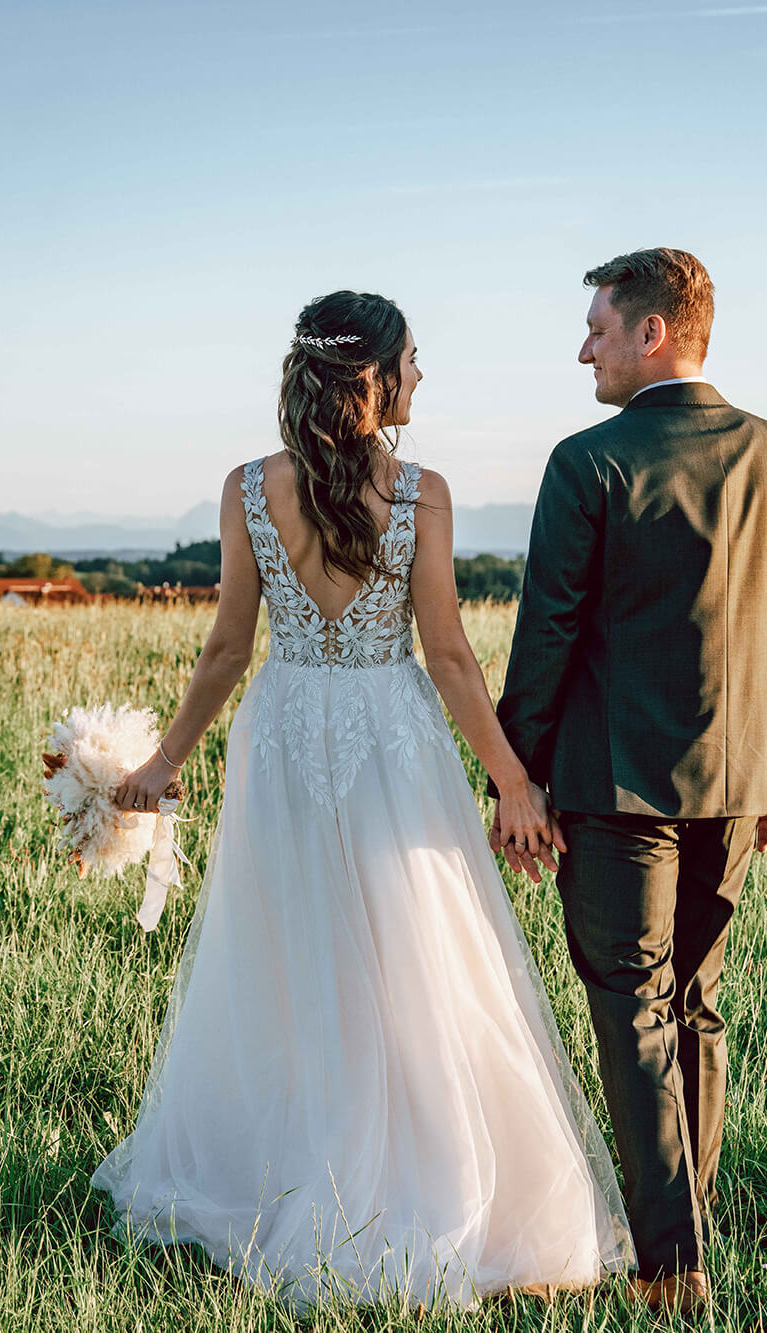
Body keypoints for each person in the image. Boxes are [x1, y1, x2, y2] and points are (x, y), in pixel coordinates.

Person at [93, 290, 634, 1310]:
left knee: (296, 957)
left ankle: (302, 1168)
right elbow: (447, 656)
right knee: (413, 955)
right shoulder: (420, 491)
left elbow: (224, 649)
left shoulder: (249, 487)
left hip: (287, 735)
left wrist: (168, 759)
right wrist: (512, 780)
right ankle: (419, 1181)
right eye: (413, 362)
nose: (422, 379)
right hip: (388, 737)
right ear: (372, 378)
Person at [490, 248, 767, 1315]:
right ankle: (687, 1234)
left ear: (653, 333)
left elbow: (544, 633)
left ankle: (669, 1265)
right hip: (740, 784)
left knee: (633, 1009)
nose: (581, 345)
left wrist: (513, 776)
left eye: (596, 325)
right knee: (693, 1005)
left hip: (613, 786)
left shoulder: (586, 462)